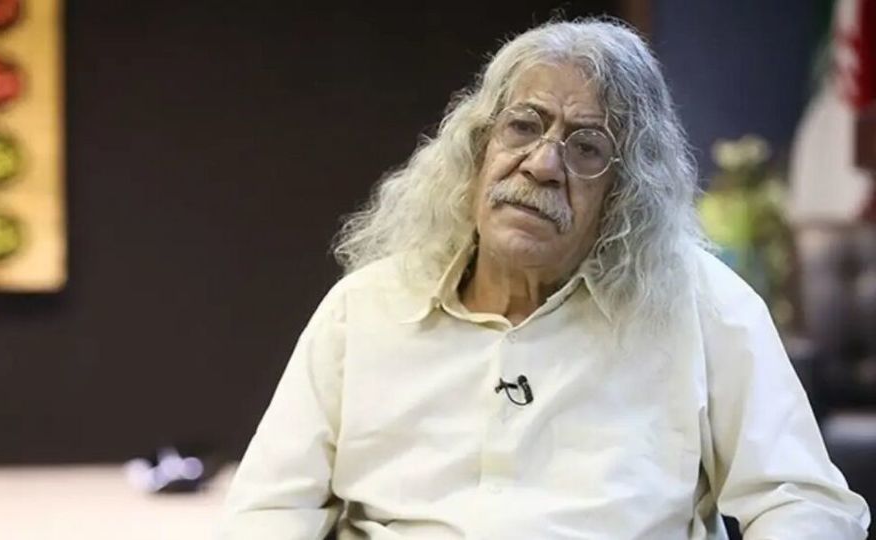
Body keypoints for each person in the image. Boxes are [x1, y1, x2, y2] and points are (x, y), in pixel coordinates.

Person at [221, 18, 871, 539]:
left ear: (625, 196)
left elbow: (801, 500)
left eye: (586, 147)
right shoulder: (364, 309)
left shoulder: (702, 306)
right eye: (523, 127)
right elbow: (271, 509)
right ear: (478, 148)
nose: (541, 164)